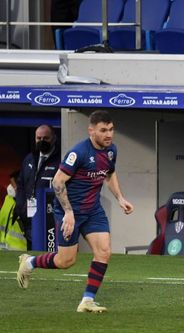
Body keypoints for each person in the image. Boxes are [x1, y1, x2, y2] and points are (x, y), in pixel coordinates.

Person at [17, 110, 134, 313]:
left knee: (104, 252)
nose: (109, 134)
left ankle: (87, 301)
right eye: (103, 130)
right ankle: (30, 262)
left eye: (111, 129)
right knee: (66, 261)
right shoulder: (78, 152)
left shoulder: (111, 150)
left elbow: (109, 174)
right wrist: (69, 212)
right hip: (69, 212)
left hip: (93, 211)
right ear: (91, 131)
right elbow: (58, 181)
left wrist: (120, 198)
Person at [15, 124, 60, 250]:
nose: (41, 141)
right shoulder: (29, 159)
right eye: (38, 138)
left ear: (54, 138)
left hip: (51, 217)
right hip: (29, 216)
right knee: (32, 251)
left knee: (51, 253)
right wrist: (21, 207)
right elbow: (21, 184)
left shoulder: (61, 160)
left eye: (46, 138)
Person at [0, 170, 27, 251]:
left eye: (12, 184)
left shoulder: (24, 203)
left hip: (19, 249)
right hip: (5, 247)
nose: (10, 187)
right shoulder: (8, 200)